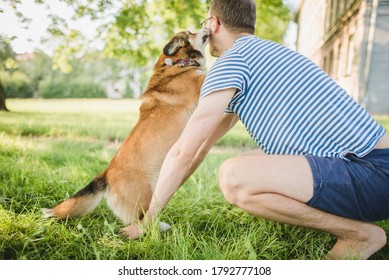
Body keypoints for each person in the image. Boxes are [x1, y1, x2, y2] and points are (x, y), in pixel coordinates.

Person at [121, 0, 389, 259]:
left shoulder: (231, 63)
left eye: (205, 23)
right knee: (250, 161)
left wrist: (148, 220)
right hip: (375, 169)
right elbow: (200, 148)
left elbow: (183, 152)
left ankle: (358, 234)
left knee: (234, 177)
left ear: (214, 23)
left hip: (372, 174)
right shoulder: (271, 54)